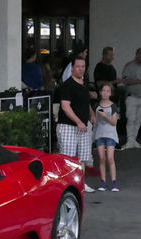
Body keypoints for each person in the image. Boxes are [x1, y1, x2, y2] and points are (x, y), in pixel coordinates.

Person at [56, 57, 96, 193]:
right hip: (68, 126)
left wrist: (91, 113)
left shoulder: (84, 84)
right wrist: (78, 122)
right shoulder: (67, 85)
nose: (80, 69)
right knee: (68, 158)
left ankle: (81, 184)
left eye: (83, 66)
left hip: (83, 125)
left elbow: (85, 102)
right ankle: (66, 186)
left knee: (83, 157)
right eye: (78, 66)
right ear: (72, 68)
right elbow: (65, 106)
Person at [121, 48, 141, 150]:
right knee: (131, 119)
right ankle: (129, 140)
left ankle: (133, 140)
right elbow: (125, 81)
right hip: (132, 96)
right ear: (137, 55)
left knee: (138, 121)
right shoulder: (129, 66)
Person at [93, 84, 120, 192]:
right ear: (100, 92)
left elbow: (114, 122)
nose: (105, 93)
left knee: (110, 157)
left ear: (110, 93)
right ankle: (103, 181)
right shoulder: (96, 105)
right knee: (101, 158)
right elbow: (95, 121)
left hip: (110, 134)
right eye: (103, 90)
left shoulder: (113, 106)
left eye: (107, 91)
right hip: (99, 133)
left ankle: (114, 181)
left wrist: (105, 116)